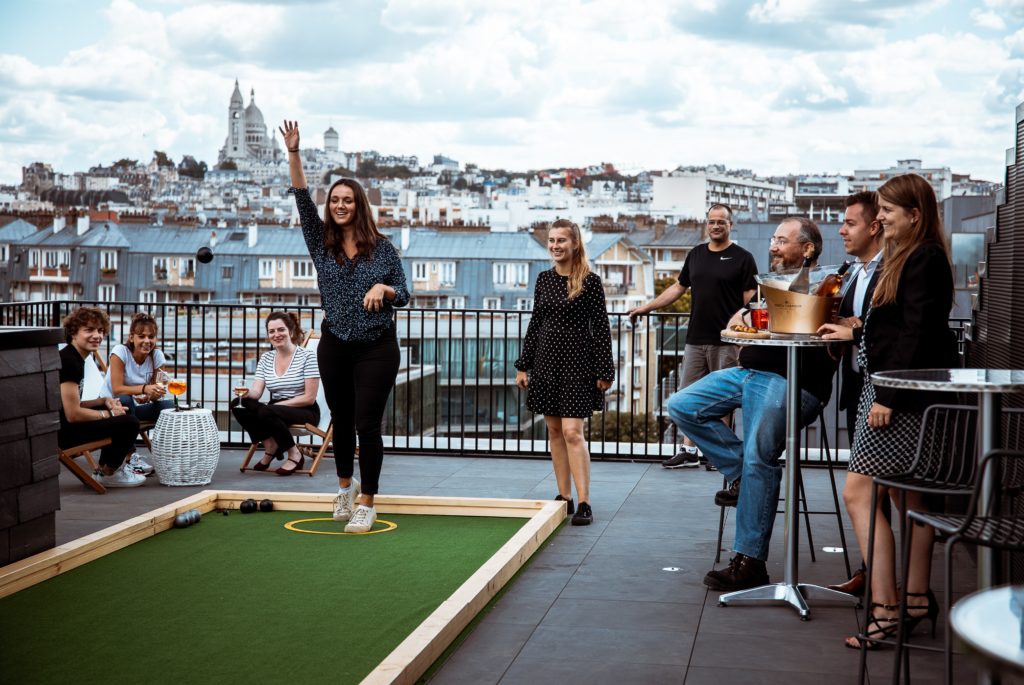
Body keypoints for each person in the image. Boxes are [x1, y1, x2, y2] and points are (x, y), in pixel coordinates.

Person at [819, 173, 957, 650]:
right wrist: (854, 335)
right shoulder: (915, 257)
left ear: (914, 215)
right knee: (909, 501)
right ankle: (915, 600)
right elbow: (897, 329)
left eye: (888, 212)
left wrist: (887, 396)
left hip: (896, 398)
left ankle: (886, 609)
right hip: (902, 394)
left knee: (859, 496)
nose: (880, 218)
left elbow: (917, 334)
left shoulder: (921, 259)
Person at [668, 217, 837, 590]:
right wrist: (747, 317)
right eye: (773, 239)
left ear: (807, 249)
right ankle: (742, 472)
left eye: (781, 240)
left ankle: (749, 561)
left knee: (760, 453)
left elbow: (824, 336)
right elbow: (739, 320)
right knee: (681, 405)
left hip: (791, 380)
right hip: (747, 373)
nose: (773, 246)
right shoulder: (771, 284)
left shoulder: (826, 286)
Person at [281, 119, 409, 533]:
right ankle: (344, 488)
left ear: (359, 205)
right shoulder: (321, 243)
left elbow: (404, 293)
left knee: (367, 424)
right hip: (334, 343)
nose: (340, 205)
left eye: (347, 200)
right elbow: (302, 197)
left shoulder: (383, 248)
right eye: (335, 199)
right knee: (340, 418)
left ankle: (368, 501)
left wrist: (383, 289)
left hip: (376, 346)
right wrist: (294, 154)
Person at [628, 204, 756, 469]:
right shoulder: (696, 254)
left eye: (722, 221)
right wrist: (646, 307)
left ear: (730, 225)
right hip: (696, 338)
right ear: (706, 224)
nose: (716, 226)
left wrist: (745, 339)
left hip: (727, 341)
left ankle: (718, 453)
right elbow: (678, 288)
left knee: (723, 398)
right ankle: (689, 450)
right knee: (688, 395)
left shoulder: (743, 258)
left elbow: (750, 303)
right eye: (712, 221)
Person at [515, 219, 614, 526]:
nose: (556, 246)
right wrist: (523, 364)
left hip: (577, 363)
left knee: (573, 432)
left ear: (575, 244)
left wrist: (605, 369)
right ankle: (564, 497)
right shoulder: (543, 279)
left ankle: (584, 501)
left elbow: (601, 327)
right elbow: (536, 323)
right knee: (554, 432)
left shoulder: (590, 281)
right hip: (546, 362)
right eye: (552, 241)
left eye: (562, 241)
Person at [827, 192, 885, 597]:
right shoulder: (855, 272)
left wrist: (859, 328)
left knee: (879, 492)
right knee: (871, 493)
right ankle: (873, 573)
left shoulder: (889, 272)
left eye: (849, 223)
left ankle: (888, 587)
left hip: (882, 392)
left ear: (874, 226)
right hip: (857, 387)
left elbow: (890, 328)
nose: (842, 230)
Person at [57, 307, 144, 488]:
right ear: (73, 332)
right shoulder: (69, 362)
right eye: (89, 330)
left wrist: (104, 402)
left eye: (100, 331)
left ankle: (105, 470)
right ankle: (110, 472)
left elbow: (72, 403)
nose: (96, 335)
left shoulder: (76, 358)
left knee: (121, 412)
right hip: (63, 433)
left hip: (65, 424)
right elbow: (73, 414)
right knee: (129, 422)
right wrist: (109, 414)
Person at [232, 312, 320, 476]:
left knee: (267, 410)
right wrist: (245, 393)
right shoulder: (266, 358)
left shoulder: (308, 356)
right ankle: (270, 444)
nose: (276, 334)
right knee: (238, 404)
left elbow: (309, 398)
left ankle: (294, 453)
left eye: (281, 329)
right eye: (272, 331)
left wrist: (276, 406)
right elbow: (257, 393)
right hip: (273, 411)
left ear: (291, 332)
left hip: (305, 410)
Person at [102, 312, 173, 476]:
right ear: (132, 337)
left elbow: (155, 392)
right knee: (125, 399)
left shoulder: (157, 356)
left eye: (151, 336)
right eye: (141, 336)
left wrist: (154, 393)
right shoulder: (120, 351)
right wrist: (144, 389)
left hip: (135, 409)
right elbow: (117, 389)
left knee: (170, 407)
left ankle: (171, 456)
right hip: (113, 408)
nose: (147, 341)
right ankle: (130, 456)